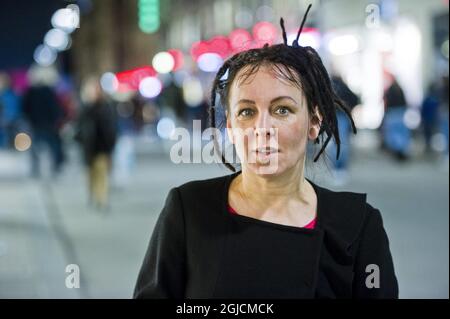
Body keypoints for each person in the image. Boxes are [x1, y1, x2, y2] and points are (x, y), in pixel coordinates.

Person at [134, 6, 398, 299]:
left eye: (282, 109)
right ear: (231, 127)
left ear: (314, 122)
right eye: (247, 111)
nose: (263, 127)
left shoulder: (358, 226)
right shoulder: (189, 211)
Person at [75, 76, 117, 211]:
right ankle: (92, 196)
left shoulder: (106, 108)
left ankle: (102, 200)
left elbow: (111, 129)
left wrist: (111, 146)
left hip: (102, 147)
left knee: (102, 175)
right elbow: (79, 129)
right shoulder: (84, 109)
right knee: (90, 175)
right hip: (88, 148)